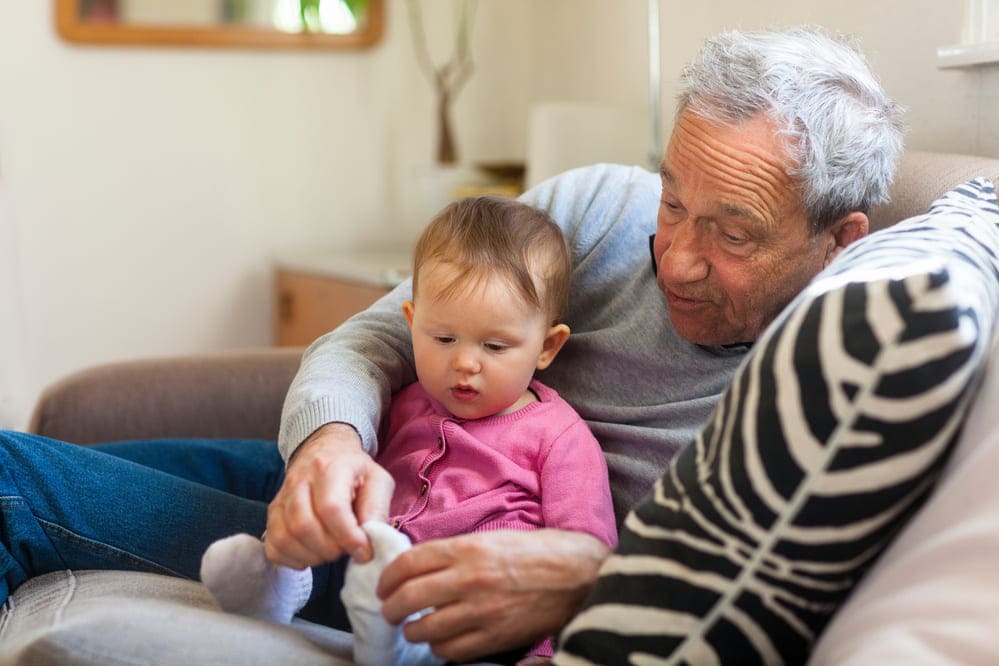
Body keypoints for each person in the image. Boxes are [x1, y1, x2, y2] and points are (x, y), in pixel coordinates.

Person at [0, 25, 903, 664]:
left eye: (732, 234)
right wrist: (329, 442)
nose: (676, 254)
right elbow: (371, 337)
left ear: (839, 241)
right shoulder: (600, 211)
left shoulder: (829, 381)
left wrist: (595, 575)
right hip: (354, 480)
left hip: (400, 564)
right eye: (674, 199)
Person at [199, 195, 618, 664]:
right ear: (412, 323)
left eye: (495, 346)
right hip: (365, 568)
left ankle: (395, 637)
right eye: (442, 338)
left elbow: (579, 561)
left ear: (547, 347)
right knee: (317, 529)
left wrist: (546, 650)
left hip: (470, 608)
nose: (464, 362)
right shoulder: (402, 402)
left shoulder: (560, 439)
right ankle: (276, 586)